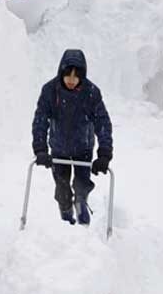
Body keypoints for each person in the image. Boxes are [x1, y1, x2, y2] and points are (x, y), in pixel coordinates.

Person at [32, 49, 114, 225]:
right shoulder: (50, 91)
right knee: (62, 189)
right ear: (61, 72)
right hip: (59, 148)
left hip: (82, 148)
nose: (71, 80)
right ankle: (66, 213)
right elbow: (40, 120)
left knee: (81, 184)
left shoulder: (91, 93)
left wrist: (105, 153)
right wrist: (40, 149)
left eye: (76, 77)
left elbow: (103, 123)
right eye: (68, 75)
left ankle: (81, 202)